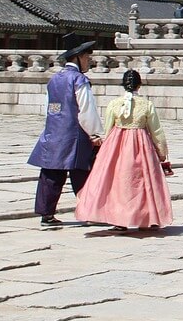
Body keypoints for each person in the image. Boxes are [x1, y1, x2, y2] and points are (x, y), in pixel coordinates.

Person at [74, 69, 173, 230]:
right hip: (141, 146)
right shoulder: (146, 105)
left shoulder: (114, 104)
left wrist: (104, 150)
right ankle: (146, 216)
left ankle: (119, 218)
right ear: (139, 85)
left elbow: (107, 128)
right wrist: (161, 152)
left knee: (118, 182)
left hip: (116, 145)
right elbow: (156, 131)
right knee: (142, 182)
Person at [28, 33, 105, 228]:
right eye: (87, 57)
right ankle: (90, 210)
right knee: (83, 175)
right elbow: (86, 109)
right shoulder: (79, 80)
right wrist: (95, 133)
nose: (89, 61)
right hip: (74, 135)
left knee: (51, 175)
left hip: (53, 132)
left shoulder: (55, 79)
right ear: (78, 57)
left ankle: (46, 213)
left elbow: (52, 106)